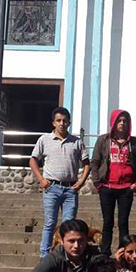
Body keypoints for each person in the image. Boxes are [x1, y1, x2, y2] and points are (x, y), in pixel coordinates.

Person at [30, 107, 91, 258]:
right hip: (52, 188)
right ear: (53, 123)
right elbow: (33, 160)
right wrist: (41, 180)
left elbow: (87, 164)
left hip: (70, 190)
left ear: (69, 122)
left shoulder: (76, 142)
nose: (62, 123)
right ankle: (44, 255)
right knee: (50, 223)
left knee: (69, 225)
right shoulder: (44, 140)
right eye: (58, 120)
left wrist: (81, 182)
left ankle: (66, 255)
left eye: (64, 120)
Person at [90, 109, 136, 253]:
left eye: (125, 121)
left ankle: (123, 253)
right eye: (119, 120)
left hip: (126, 188)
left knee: (123, 223)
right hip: (106, 187)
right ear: (113, 122)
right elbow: (95, 161)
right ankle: (105, 253)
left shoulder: (133, 142)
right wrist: (97, 183)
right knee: (107, 222)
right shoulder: (103, 140)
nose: (122, 123)